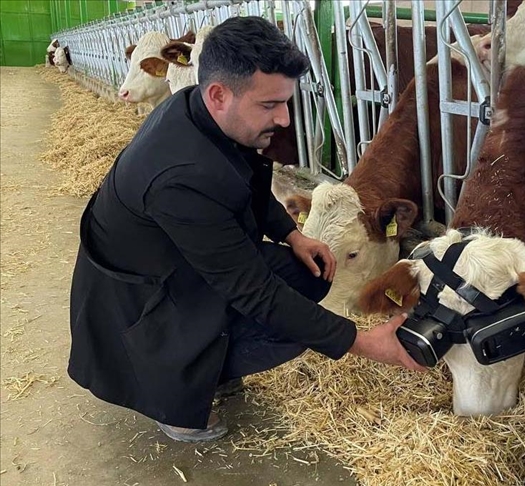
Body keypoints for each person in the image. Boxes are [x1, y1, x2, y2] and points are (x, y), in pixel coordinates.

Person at [67, 16, 424, 444]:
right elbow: (251, 289)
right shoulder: (181, 178)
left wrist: (293, 235)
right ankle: (172, 399)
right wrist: (362, 342)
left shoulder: (203, 113)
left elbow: (253, 183)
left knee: (308, 275)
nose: (286, 118)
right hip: (139, 307)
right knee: (278, 305)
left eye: (286, 102)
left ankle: (211, 367)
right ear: (219, 93)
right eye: (270, 105)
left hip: (179, 268)